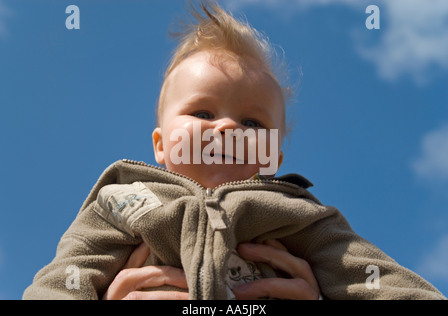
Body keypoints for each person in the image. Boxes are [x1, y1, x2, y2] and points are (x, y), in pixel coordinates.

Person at [23, 1, 445, 300]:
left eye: (251, 123)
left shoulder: (297, 216)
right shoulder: (122, 202)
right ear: (161, 146)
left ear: (272, 156)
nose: (226, 127)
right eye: (203, 112)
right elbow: (65, 277)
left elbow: (373, 278)